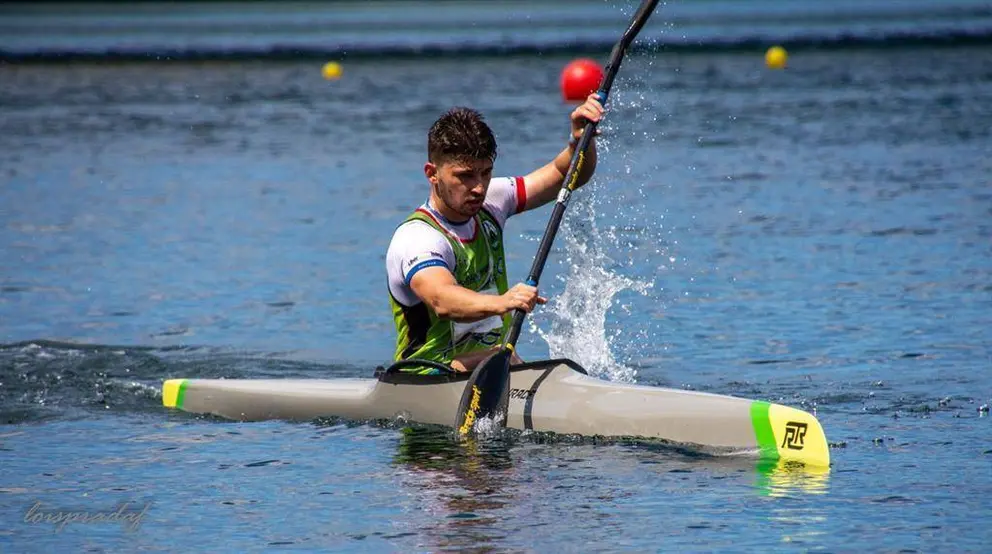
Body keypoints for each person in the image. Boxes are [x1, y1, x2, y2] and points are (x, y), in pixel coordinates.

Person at [386, 93, 605, 374]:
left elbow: (569, 175)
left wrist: (578, 141)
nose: (478, 187)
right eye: (464, 176)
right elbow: (443, 299)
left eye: (485, 173)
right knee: (505, 359)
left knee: (511, 360)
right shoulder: (418, 238)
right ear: (432, 173)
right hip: (426, 375)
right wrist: (504, 302)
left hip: (489, 368)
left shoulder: (491, 202)